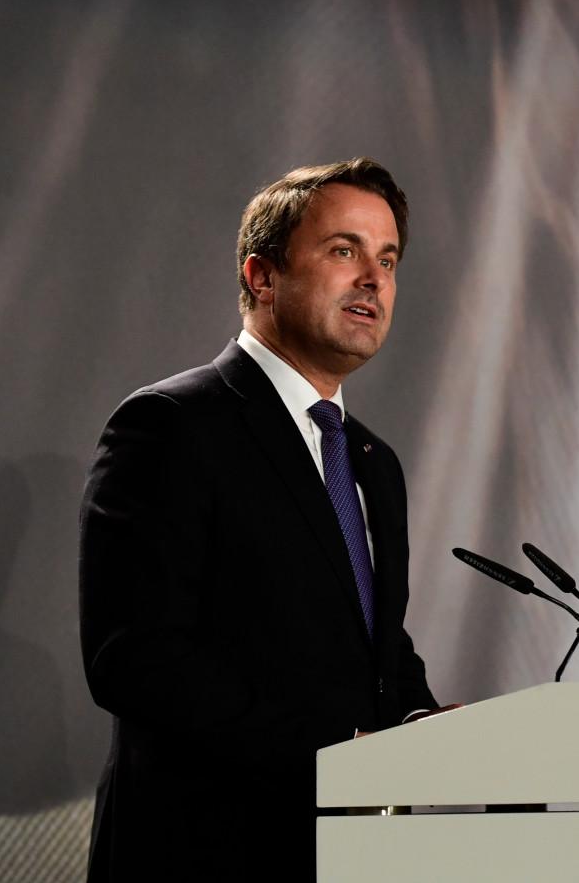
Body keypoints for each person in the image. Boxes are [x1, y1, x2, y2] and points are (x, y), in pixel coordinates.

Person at [79, 158, 440, 881]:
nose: (373, 277)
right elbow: (134, 658)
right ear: (261, 276)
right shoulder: (172, 425)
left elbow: (376, 649)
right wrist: (342, 744)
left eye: (388, 258)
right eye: (344, 250)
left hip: (352, 855)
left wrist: (434, 732)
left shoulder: (373, 461)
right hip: (205, 851)